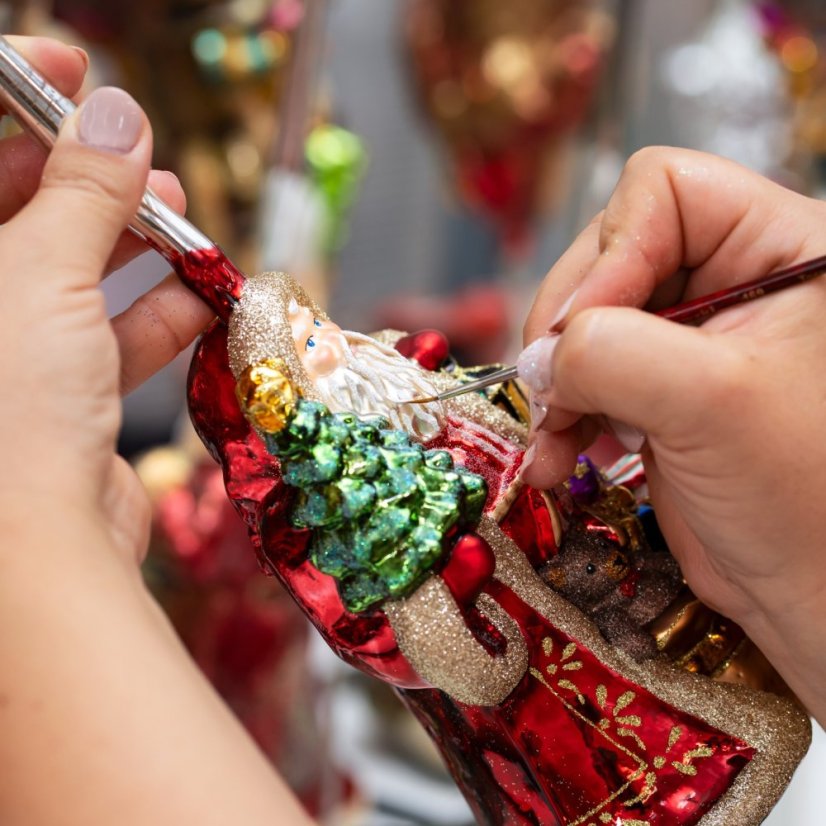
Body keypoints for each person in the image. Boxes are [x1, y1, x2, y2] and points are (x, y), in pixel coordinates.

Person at [0, 32, 819, 826]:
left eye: (316, 328)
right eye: (312, 345)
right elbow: (422, 633)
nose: (333, 338)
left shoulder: (418, 405)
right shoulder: (362, 509)